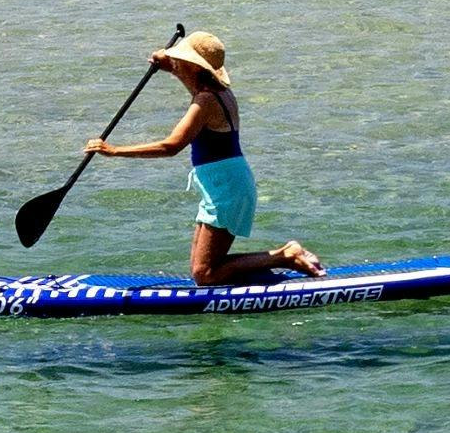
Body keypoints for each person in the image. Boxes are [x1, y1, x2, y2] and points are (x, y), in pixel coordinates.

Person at [91, 28, 321, 285]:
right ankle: (277, 259)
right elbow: (187, 74)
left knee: (205, 275)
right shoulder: (216, 88)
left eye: (180, 61)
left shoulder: (205, 102)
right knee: (201, 270)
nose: (176, 64)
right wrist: (166, 63)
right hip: (223, 185)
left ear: (193, 66)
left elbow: (171, 146)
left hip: (228, 189)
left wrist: (113, 151)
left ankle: (285, 255)